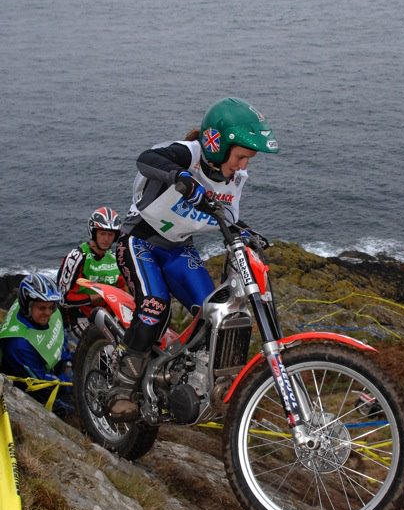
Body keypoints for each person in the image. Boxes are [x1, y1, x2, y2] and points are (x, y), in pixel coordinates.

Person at [108, 96, 279, 421]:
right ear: (218, 145)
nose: (244, 166)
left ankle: (185, 377)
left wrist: (245, 232)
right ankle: (122, 387)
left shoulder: (234, 180)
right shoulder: (191, 154)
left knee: (213, 314)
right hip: (139, 240)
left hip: (177, 248)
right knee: (154, 307)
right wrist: (179, 177)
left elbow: (226, 216)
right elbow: (147, 159)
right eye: (241, 157)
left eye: (248, 159)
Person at [0, 274, 73, 413]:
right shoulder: (18, 345)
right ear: (27, 306)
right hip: (31, 389)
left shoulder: (41, 315)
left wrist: (67, 361)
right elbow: (42, 385)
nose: (48, 313)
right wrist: (69, 380)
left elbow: (60, 335)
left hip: (52, 364)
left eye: (51, 307)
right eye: (42, 308)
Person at [57, 206, 126, 337]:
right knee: (104, 344)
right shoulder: (77, 257)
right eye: (102, 233)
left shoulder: (115, 258)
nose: (106, 239)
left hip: (108, 316)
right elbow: (63, 299)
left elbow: (123, 289)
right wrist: (92, 298)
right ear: (94, 233)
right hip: (80, 315)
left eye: (110, 235)